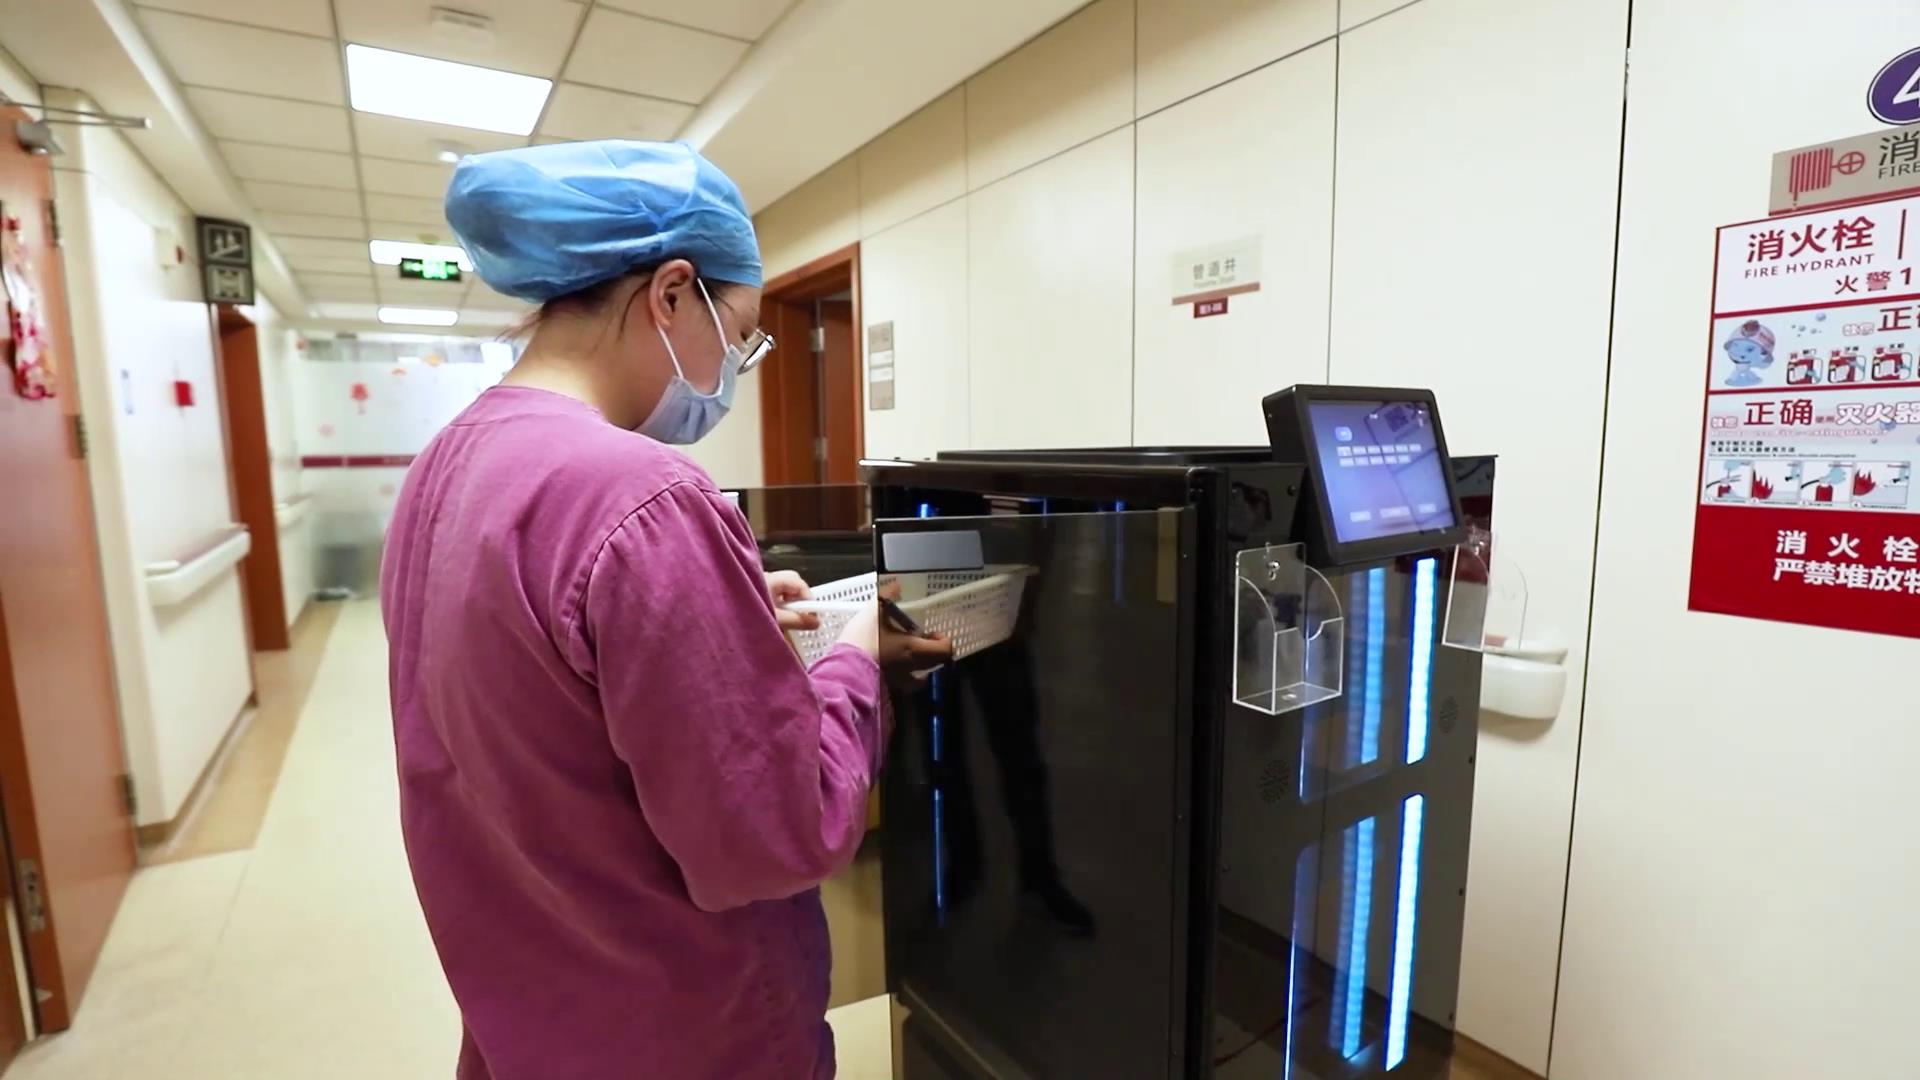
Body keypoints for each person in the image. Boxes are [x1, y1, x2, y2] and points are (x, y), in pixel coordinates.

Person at [380, 140, 949, 1080]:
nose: (733, 367)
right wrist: (856, 658)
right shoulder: (642, 494)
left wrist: (721, 613)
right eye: (740, 334)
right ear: (674, 293)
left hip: (532, 1000)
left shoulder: (448, 463)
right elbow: (774, 836)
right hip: (683, 1022)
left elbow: (537, 677)